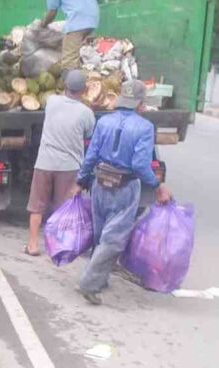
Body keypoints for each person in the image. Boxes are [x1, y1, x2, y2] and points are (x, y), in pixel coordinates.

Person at [74, 80, 172, 305]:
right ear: (140, 103)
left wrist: (81, 179)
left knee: (101, 234)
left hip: (99, 182)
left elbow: (91, 155)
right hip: (125, 187)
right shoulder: (145, 127)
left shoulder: (104, 120)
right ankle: (89, 283)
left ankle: (99, 277)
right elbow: (140, 164)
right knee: (114, 239)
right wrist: (157, 186)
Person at [26, 70, 95, 256]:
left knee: (36, 206)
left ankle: (32, 245)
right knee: (63, 208)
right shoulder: (86, 113)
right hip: (69, 166)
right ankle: (57, 245)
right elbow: (88, 134)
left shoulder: (51, 102)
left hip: (44, 163)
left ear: (65, 86)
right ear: (85, 90)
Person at [41, 0, 99, 73]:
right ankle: (78, 77)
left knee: (68, 64)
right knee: (72, 51)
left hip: (77, 20)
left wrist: (42, 24)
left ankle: (72, 87)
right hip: (93, 20)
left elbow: (52, 13)